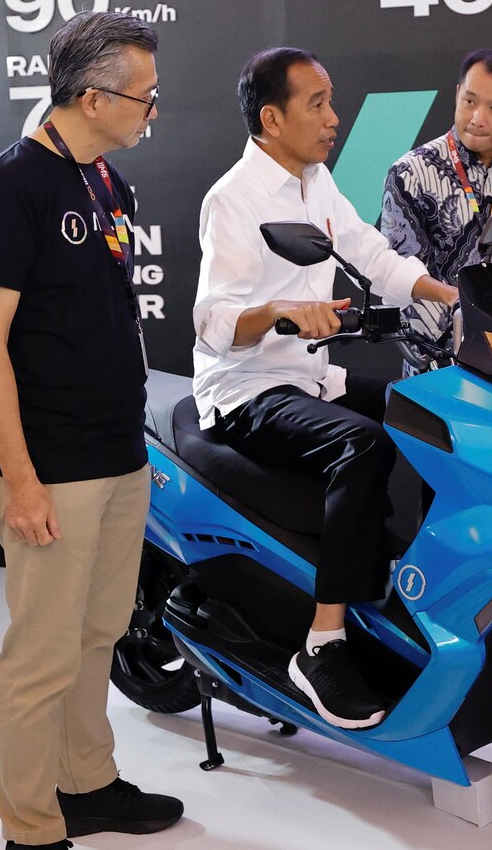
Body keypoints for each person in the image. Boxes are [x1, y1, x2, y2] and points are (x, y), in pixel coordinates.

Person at [0, 12, 183, 850]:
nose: (152, 111)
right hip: (49, 466)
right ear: (93, 98)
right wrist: (19, 479)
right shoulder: (11, 187)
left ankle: (83, 783)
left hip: (116, 453)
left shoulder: (106, 185)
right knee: (41, 655)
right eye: (145, 97)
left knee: (98, 635)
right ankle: (28, 824)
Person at [192, 47, 458, 730]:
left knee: (437, 412)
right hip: (248, 388)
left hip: (313, 375)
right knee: (363, 447)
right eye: (318, 104)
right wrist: (279, 313)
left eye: (331, 100)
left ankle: (423, 592)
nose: (334, 117)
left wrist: (441, 290)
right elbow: (213, 321)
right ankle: (322, 645)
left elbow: (368, 250)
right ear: (273, 118)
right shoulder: (234, 199)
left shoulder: (315, 181)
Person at [382, 48, 492, 353]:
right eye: (469, 101)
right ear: (456, 95)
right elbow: (403, 274)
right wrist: (454, 353)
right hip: (438, 363)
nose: (477, 118)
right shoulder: (411, 172)